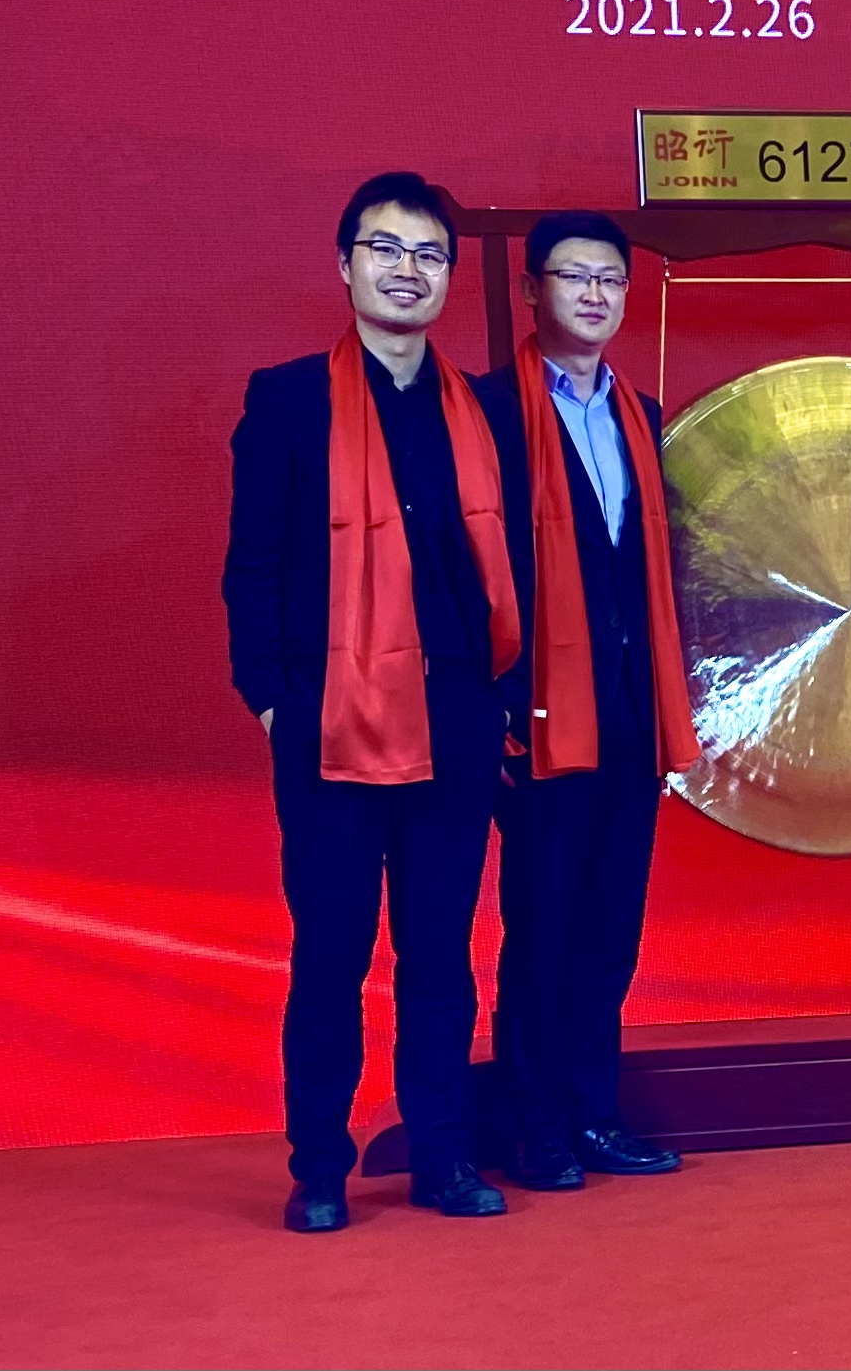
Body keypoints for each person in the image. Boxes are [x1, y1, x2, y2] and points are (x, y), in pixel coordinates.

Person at [222, 172, 521, 1232]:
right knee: (332, 958)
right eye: (385, 249)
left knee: (441, 956)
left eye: (429, 254)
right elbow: (252, 566)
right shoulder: (289, 401)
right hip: (331, 730)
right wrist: (273, 701)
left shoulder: (480, 410)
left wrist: (500, 700)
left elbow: (509, 570)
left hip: (455, 723)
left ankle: (443, 1156)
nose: (408, 270)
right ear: (344, 264)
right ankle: (318, 1166)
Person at [479, 212, 701, 1192]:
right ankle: (536, 1125)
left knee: (610, 924)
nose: (596, 294)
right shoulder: (488, 410)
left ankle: (594, 1113)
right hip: (537, 713)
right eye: (575, 276)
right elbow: (466, 567)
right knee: (542, 924)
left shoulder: (640, 416)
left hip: (629, 710)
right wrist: (493, 703)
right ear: (533, 290)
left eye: (611, 278)